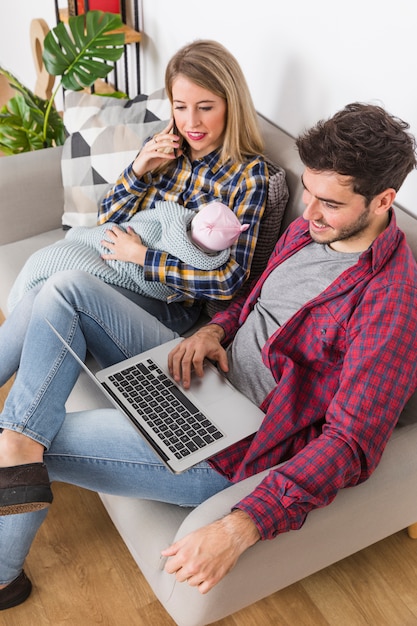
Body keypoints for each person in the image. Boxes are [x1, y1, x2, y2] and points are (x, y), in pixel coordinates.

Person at [1, 102, 417, 609]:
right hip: (200, 372)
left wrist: (241, 525)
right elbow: (252, 298)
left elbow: (352, 445)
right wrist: (215, 330)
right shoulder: (310, 231)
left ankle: (4, 577)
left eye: (329, 203)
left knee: (26, 436)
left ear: (383, 200)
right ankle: (19, 441)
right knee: (65, 288)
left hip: (231, 447)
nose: (308, 212)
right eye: (308, 190)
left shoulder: (391, 305)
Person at [7, 200, 249, 311]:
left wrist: (142, 256)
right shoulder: (163, 149)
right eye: (181, 106)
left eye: (205, 107)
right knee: (42, 285)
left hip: (166, 297)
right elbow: (107, 219)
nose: (192, 120)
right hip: (117, 239)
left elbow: (227, 283)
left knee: (59, 288)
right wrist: (138, 169)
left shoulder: (250, 178)